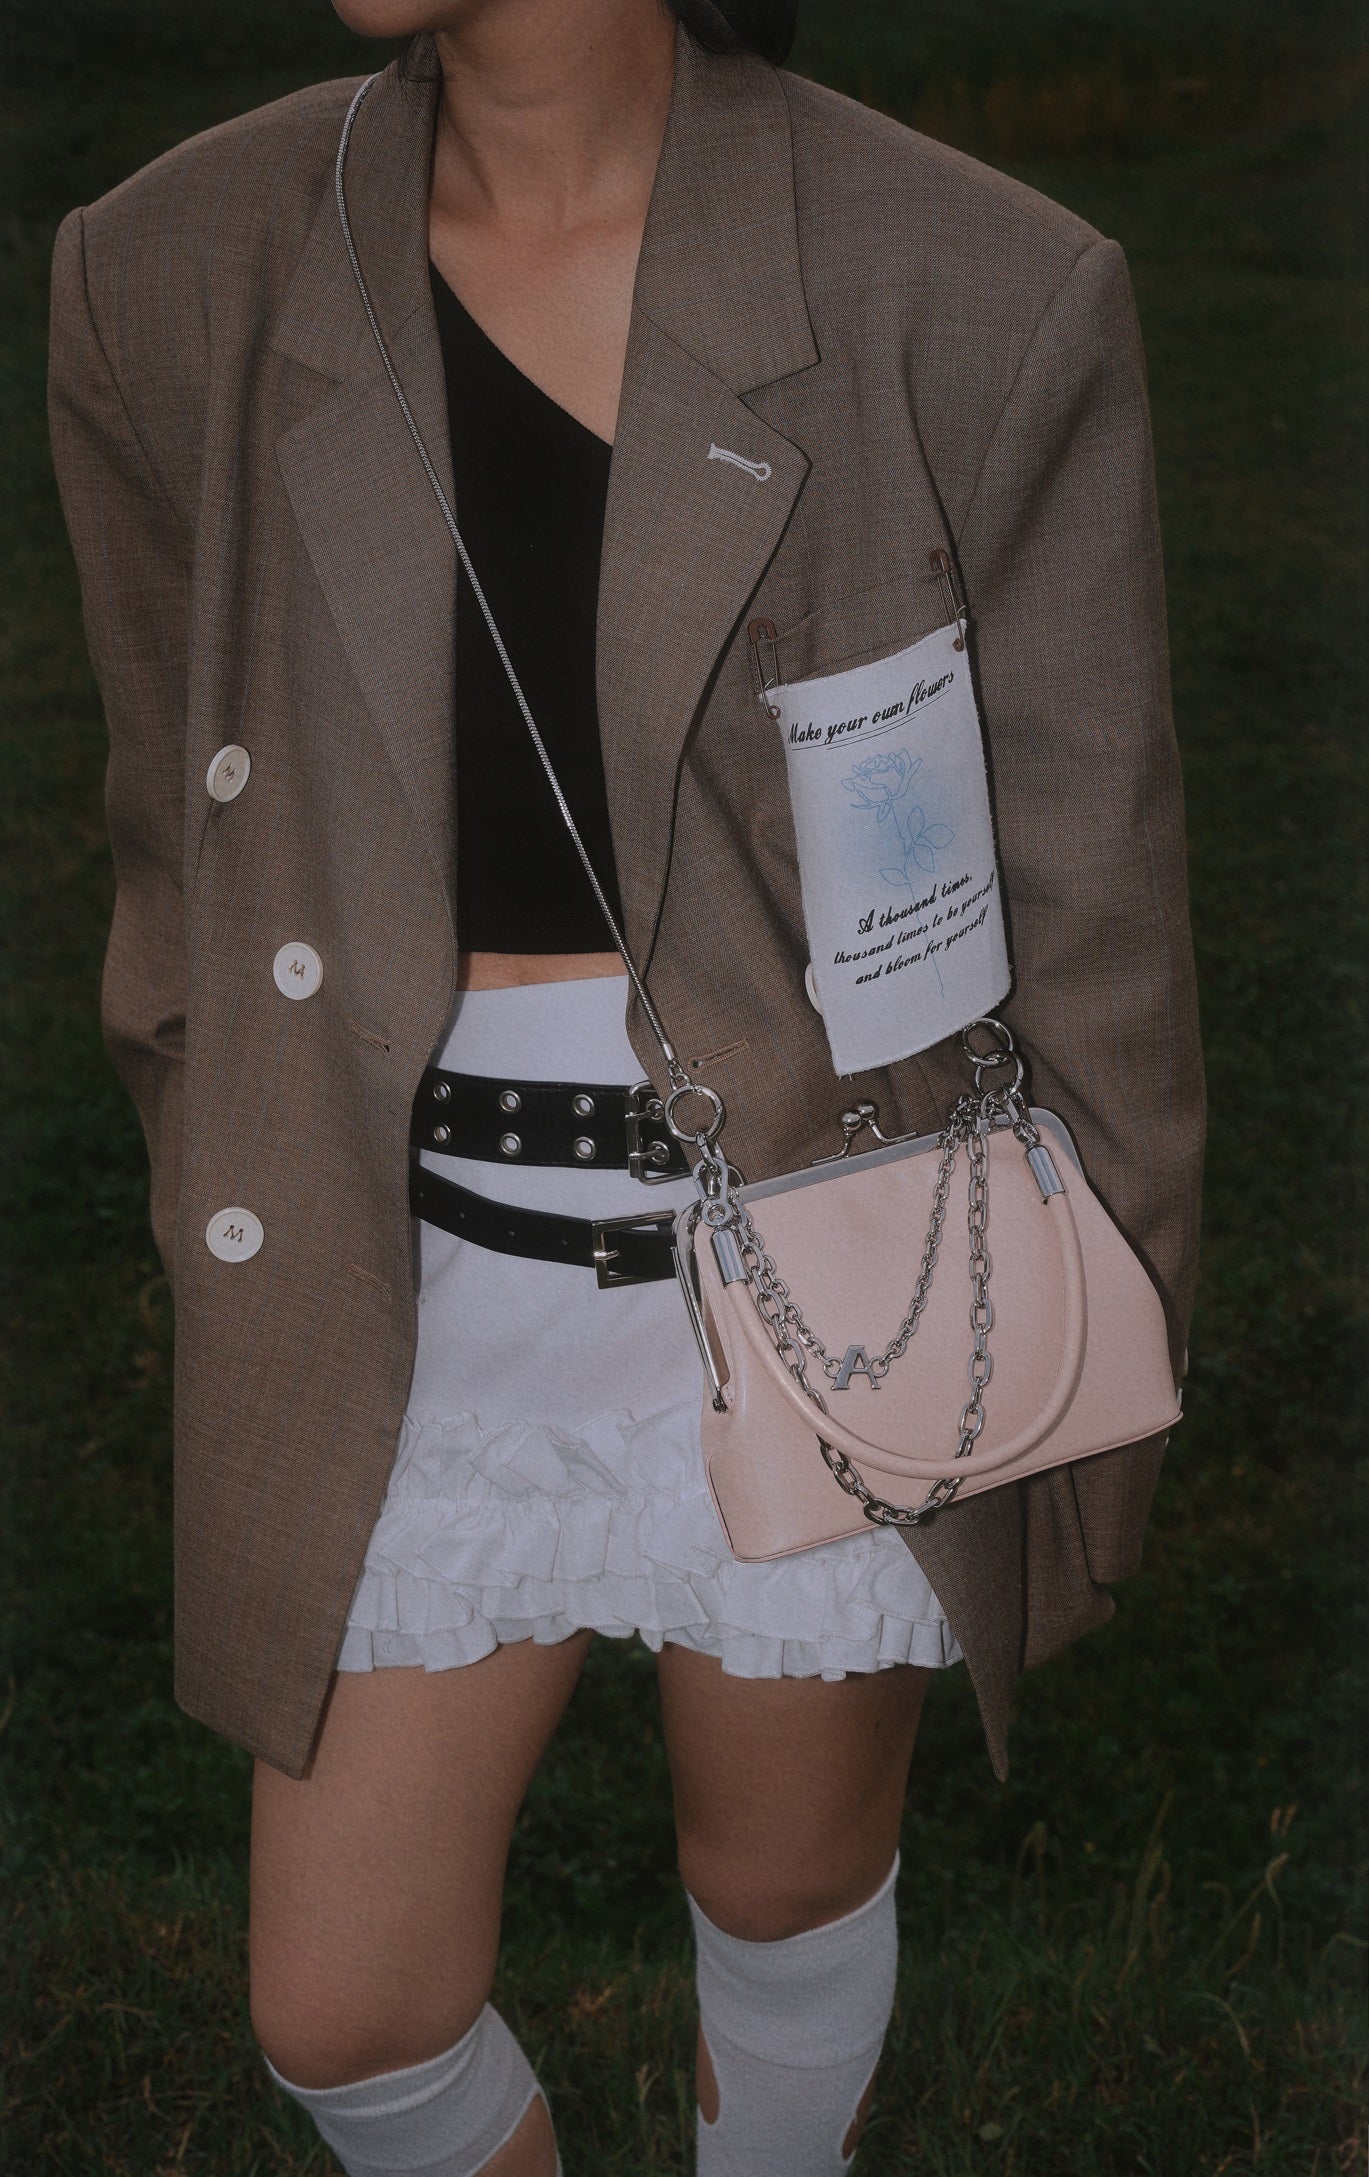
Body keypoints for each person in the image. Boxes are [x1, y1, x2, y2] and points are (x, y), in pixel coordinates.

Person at [47, 0, 1204, 2169]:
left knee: (777, 1892)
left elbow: (1097, 900)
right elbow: (169, 835)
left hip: (832, 1250)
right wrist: (223, 1159)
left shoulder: (971, 282)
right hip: (402, 1275)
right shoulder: (175, 265)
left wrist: (1076, 1369)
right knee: (345, 2013)